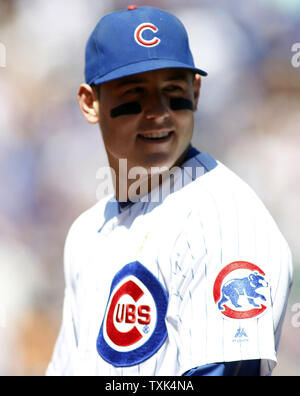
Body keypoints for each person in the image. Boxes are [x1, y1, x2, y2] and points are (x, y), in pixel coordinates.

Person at [47, 6, 293, 376]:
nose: (158, 112)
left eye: (172, 90)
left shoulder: (225, 220)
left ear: (195, 92)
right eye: (135, 93)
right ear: (90, 102)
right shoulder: (86, 232)